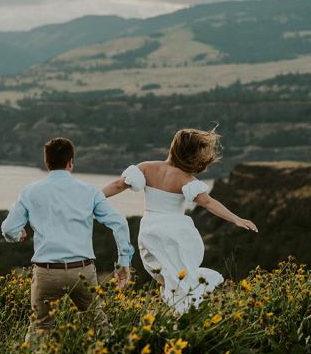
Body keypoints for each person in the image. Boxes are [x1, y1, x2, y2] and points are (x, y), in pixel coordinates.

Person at [102, 128, 257, 314]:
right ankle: (185, 314)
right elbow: (208, 202)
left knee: (169, 277)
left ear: (173, 147)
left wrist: (93, 198)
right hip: (176, 231)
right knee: (181, 276)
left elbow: (118, 185)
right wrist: (236, 219)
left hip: (150, 230)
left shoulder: (146, 168)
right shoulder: (186, 179)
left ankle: (176, 313)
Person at [1, 137, 133, 342]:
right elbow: (120, 223)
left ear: (47, 162)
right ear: (71, 162)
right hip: (81, 271)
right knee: (99, 325)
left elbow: (8, 228)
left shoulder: (30, 191)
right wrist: (124, 262)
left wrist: (17, 235)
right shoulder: (90, 192)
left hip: (46, 272)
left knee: (39, 329)